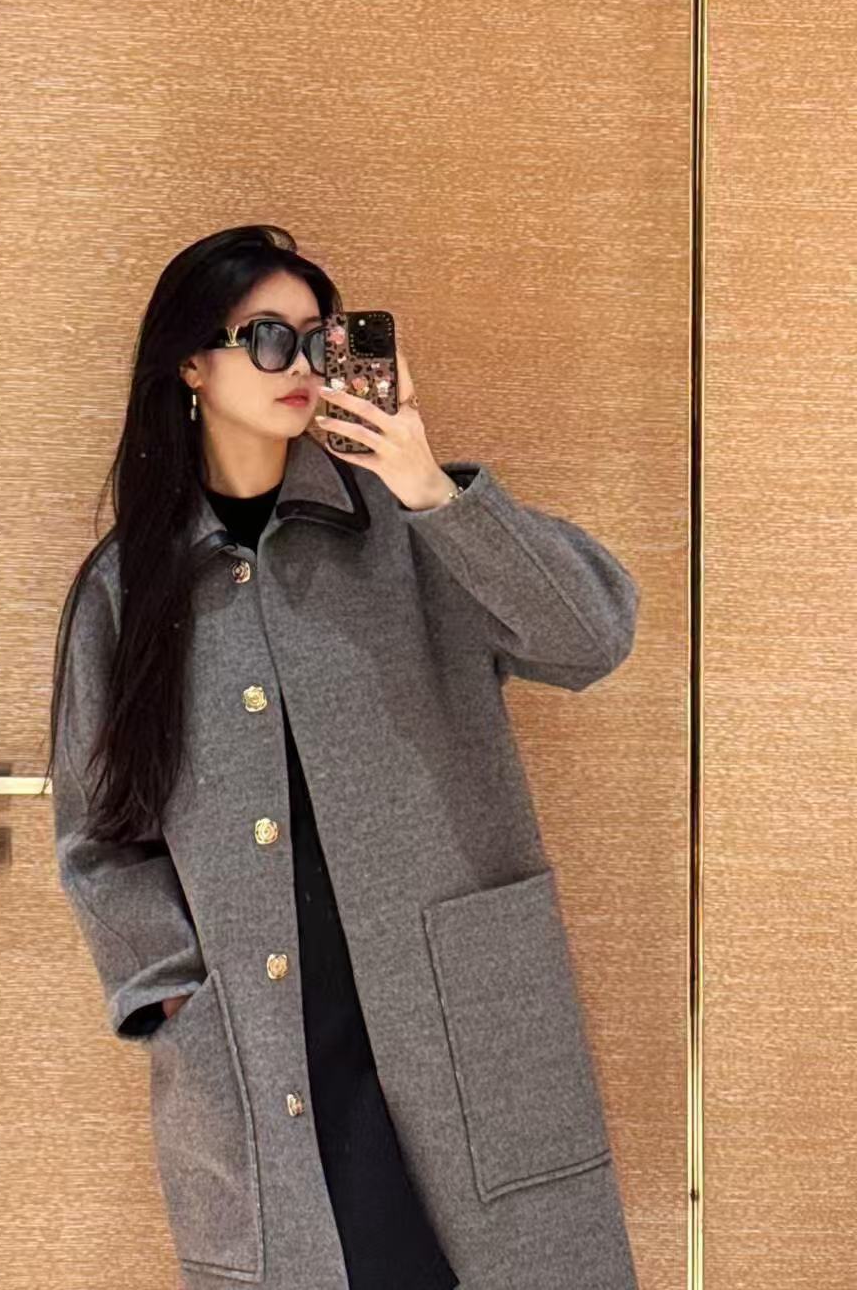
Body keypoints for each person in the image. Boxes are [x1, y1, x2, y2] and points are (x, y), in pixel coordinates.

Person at [47, 223, 640, 1290]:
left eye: (318, 338)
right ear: (191, 365)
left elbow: (591, 638)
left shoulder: (408, 529)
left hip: (453, 1002)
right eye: (265, 337)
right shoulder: (126, 589)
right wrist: (173, 994)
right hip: (266, 1030)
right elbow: (97, 835)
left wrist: (430, 486)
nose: (300, 363)